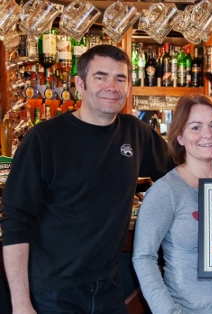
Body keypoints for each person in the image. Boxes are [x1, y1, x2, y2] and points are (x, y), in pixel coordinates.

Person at [1, 44, 172, 314]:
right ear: (80, 84)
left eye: (120, 79)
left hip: (108, 285)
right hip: (52, 291)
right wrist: (21, 303)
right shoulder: (44, 139)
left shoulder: (135, 133)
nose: (112, 87)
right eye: (100, 77)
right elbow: (15, 221)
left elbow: (180, 170)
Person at [132, 94, 212, 314]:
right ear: (180, 137)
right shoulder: (166, 191)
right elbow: (143, 257)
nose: (207, 134)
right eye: (195, 127)